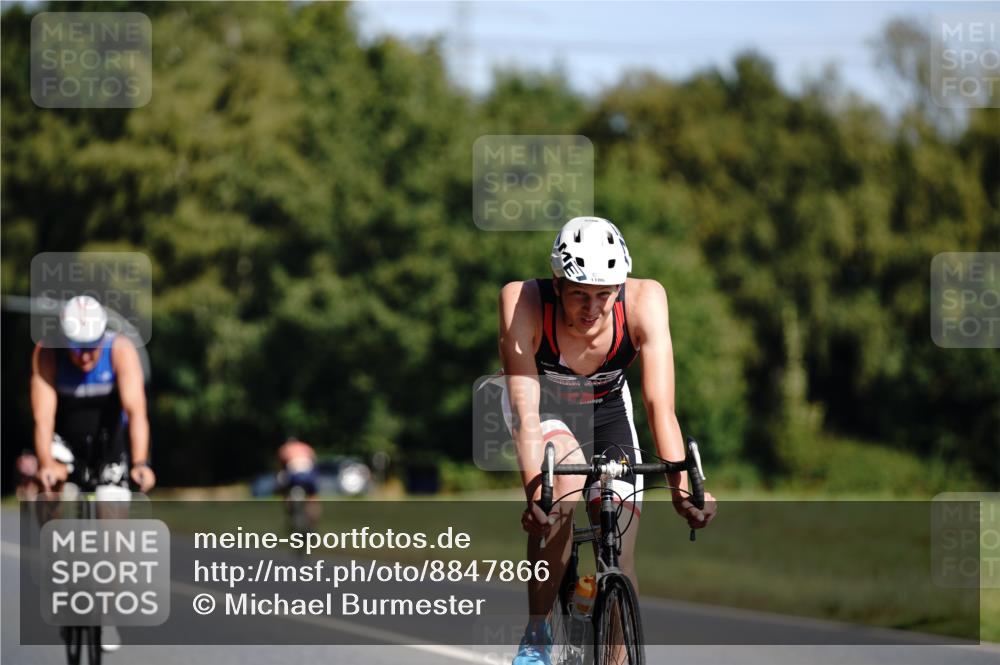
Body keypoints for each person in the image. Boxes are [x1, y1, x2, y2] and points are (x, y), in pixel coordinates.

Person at [497, 217, 718, 665]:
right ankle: (538, 634)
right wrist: (538, 497)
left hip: (608, 410)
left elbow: (660, 407)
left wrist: (682, 491)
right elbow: (525, 414)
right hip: (544, 408)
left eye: (605, 294)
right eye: (579, 293)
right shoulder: (521, 301)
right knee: (561, 492)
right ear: (557, 285)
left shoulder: (646, 300)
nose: (592, 307)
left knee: (619, 546)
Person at [31, 295, 155, 652]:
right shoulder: (47, 352)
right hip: (65, 441)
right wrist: (47, 465)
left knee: (112, 514)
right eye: (77, 348)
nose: (86, 356)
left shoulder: (120, 349)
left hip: (108, 443)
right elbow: (43, 418)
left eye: (92, 346)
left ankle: (108, 609)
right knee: (52, 493)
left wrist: (141, 464)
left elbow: (137, 412)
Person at [276, 436, 320, 528]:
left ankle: (289, 510)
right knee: (312, 498)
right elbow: (314, 462)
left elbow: (282, 466)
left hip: (294, 475)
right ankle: (313, 521)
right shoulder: (305, 447)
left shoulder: (285, 448)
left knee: (285, 492)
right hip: (309, 474)